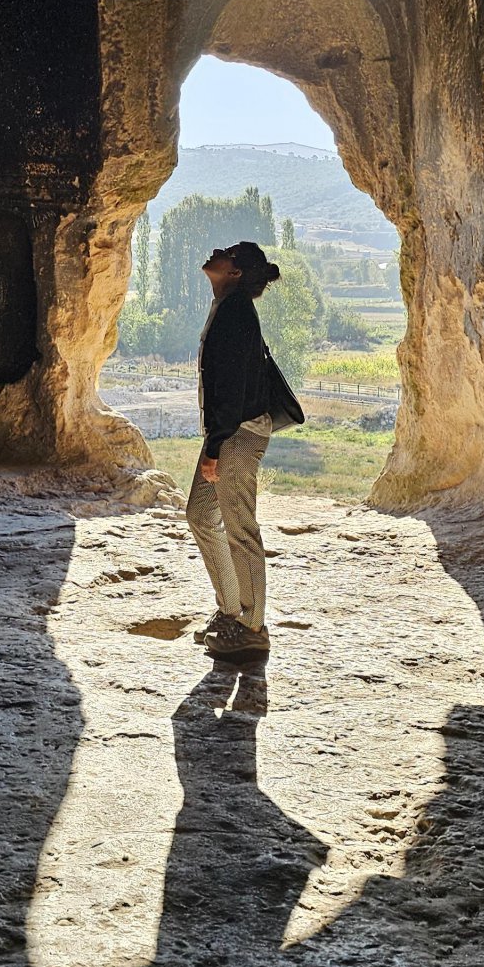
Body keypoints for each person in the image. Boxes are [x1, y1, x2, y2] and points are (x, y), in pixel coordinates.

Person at [186, 239, 281, 662]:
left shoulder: (236, 309)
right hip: (230, 433)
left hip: (237, 436)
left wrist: (214, 447)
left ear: (236, 271)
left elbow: (232, 387)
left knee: (240, 526)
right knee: (202, 515)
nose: (215, 251)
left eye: (225, 251)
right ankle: (230, 610)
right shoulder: (229, 306)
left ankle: (252, 626)